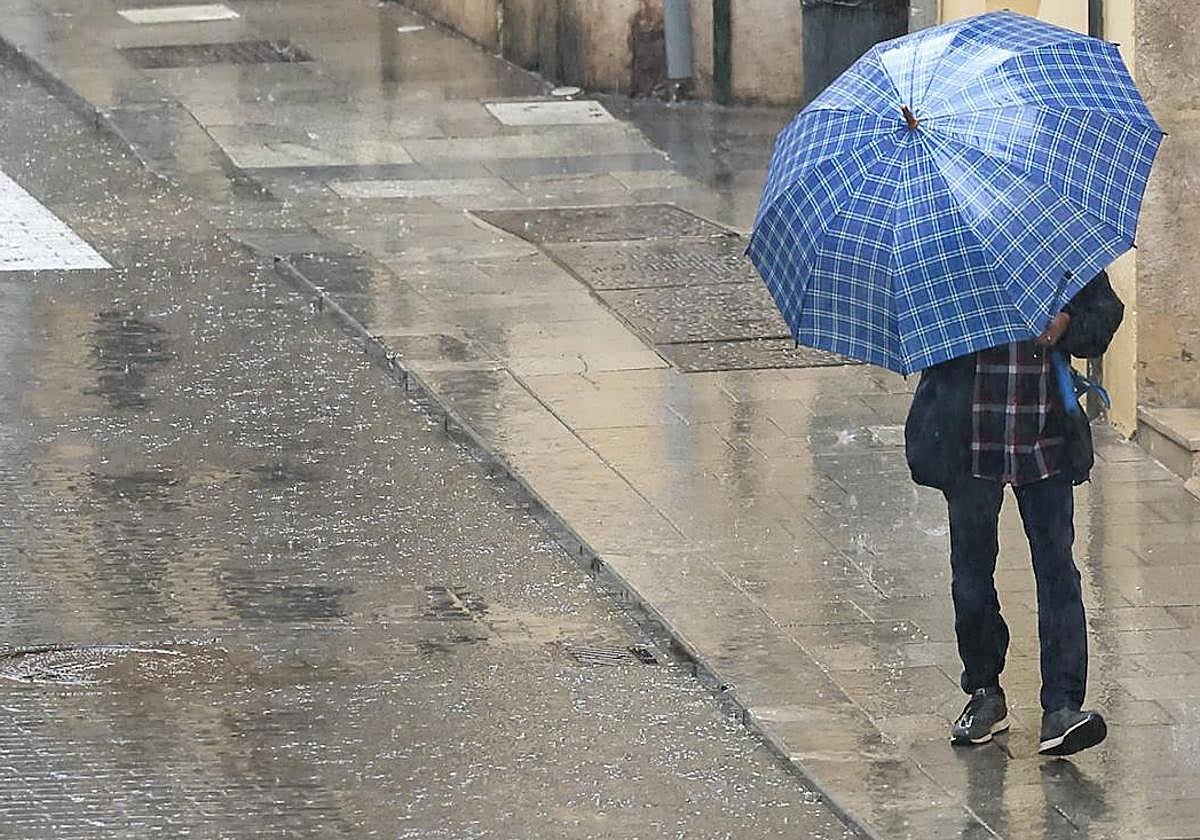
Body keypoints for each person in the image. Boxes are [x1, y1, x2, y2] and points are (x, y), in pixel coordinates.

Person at [904, 270, 1125, 757]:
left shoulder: (1054, 246)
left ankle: (1062, 707)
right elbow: (918, 330)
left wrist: (1067, 325)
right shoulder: (944, 252)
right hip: (969, 438)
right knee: (971, 575)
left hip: (1045, 435)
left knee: (1058, 570)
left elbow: (1106, 311)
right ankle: (985, 692)